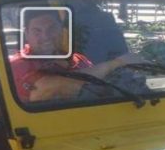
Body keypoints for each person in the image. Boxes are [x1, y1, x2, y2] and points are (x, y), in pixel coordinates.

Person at [9, 9, 140, 102]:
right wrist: (116, 63)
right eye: (37, 31)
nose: (46, 36)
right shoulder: (17, 65)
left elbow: (99, 85)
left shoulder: (78, 59)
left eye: (52, 28)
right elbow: (51, 87)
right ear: (27, 34)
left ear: (61, 30)